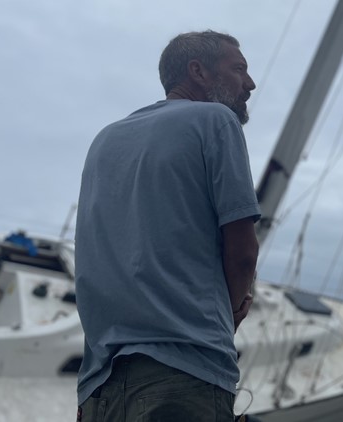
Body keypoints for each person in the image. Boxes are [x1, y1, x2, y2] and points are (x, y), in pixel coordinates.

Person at [74, 30, 260, 421]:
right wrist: (229, 314)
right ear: (198, 72)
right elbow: (243, 250)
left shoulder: (104, 140)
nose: (249, 83)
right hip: (183, 375)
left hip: (97, 388)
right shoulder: (216, 120)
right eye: (239, 69)